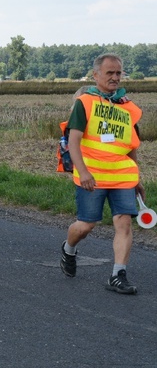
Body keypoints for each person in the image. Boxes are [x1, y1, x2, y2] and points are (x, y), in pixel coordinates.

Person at [60, 53, 144, 295]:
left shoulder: (127, 107)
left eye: (119, 73)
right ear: (95, 75)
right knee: (86, 225)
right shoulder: (84, 103)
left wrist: (136, 178)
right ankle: (69, 248)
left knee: (124, 222)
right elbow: (73, 141)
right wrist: (83, 171)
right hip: (92, 176)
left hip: (122, 176)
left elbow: (131, 145)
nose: (115, 77)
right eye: (110, 73)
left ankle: (118, 275)